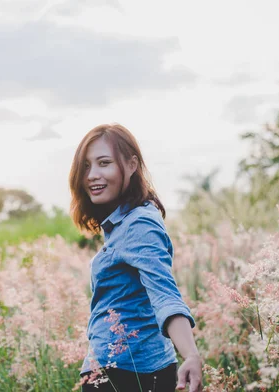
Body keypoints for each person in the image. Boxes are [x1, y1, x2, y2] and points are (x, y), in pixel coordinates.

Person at [69, 124, 202, 392]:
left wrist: (190, 354)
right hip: (136, 368)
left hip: (124, 374)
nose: (92, 175)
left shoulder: (138, 224)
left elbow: (164, 293)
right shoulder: (126, 222)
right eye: (85, 166)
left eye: (104, 163)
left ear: (131, 165)